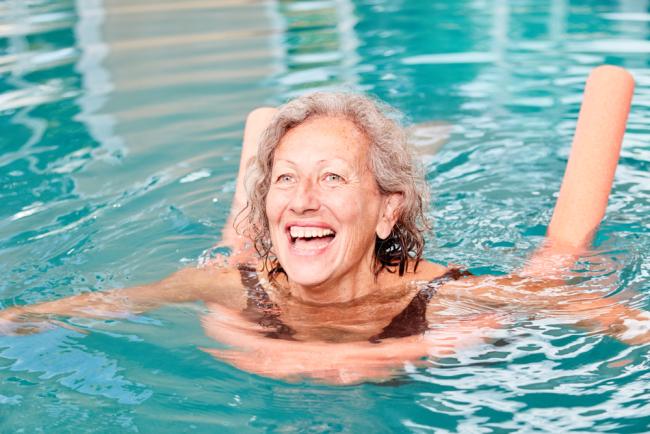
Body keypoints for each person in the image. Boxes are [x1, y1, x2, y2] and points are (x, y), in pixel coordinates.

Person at [1, 66, 647, 384]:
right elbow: (105, 305)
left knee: (557, 258)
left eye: (332, 177)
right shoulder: (238, 284)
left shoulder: (434, 294)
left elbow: (578, 308)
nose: (303, 199)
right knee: (239, 252)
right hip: (261, 282)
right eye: (286, 178)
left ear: (387, 208)